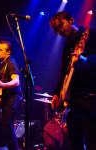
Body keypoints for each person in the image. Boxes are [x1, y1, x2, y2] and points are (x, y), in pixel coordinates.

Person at [49, 11, 96, 150]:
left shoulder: (91, 35)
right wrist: (57, 93)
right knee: (74, 143)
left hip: (89, 98)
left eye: (61, 24)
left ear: (71, 20)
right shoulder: (66, 46)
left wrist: (86, 61)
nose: (60, 30)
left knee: (92, 142)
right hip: (73, 102)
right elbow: (64, 73)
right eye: (56, 29)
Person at [0, 41, 22, 150]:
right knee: (6, 129)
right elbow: (4, 83)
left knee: (8, 129)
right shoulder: (3, 64)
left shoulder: (11, 63)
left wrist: (2, 84)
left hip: (12, 99)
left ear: (8, 52)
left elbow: (16, 82)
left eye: (0, 50)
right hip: (6, 99)